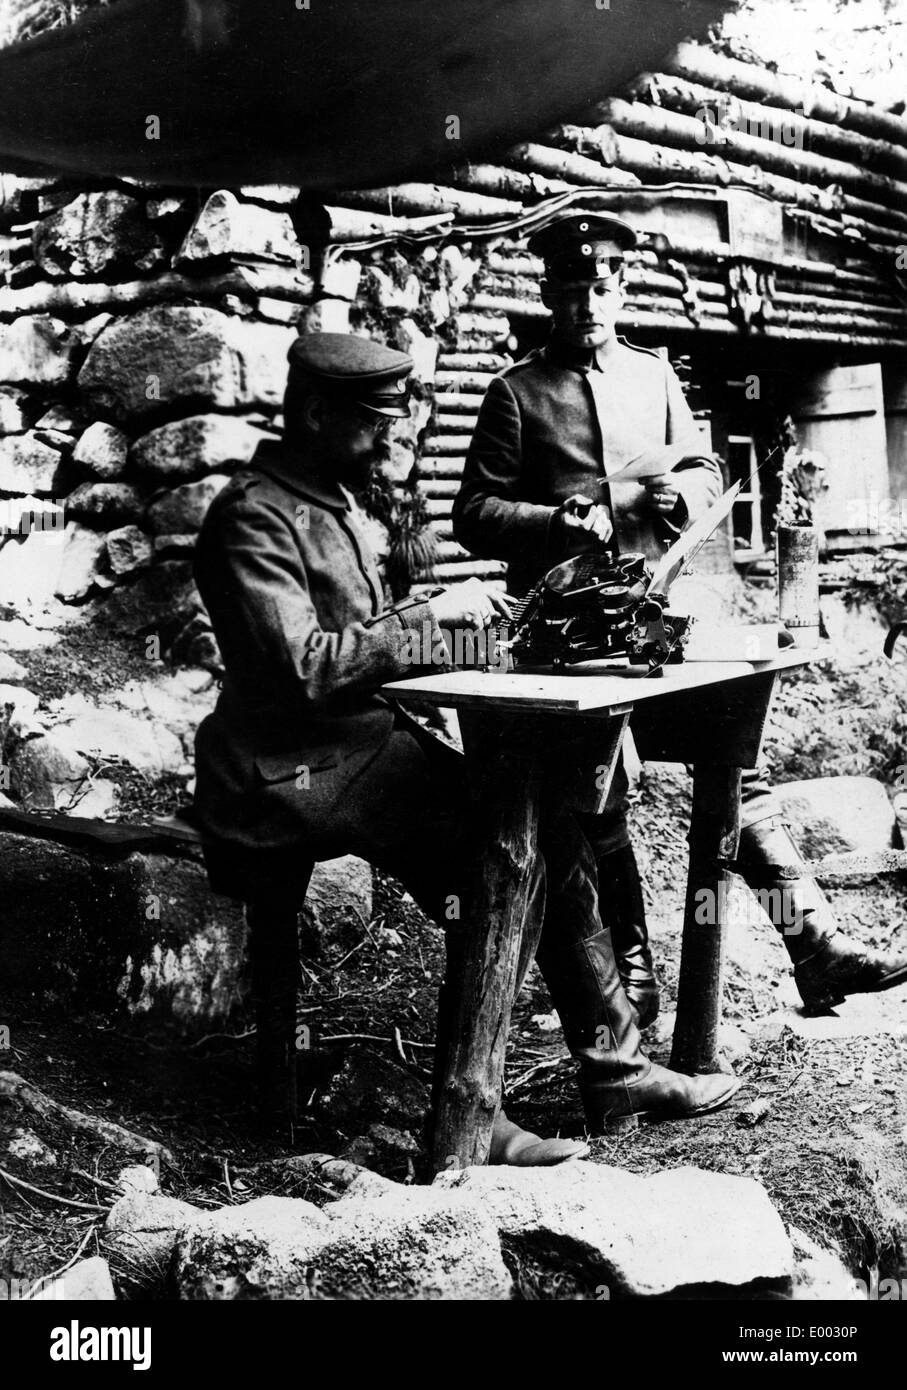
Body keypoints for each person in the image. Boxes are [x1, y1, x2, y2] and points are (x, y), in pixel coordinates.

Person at [192, 330, 740, 1151]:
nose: (392, 437)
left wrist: (483, 633)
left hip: (358, 743)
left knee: (553, 821)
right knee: (499, 853)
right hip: (283, 768)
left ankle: (613, 1065)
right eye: (375, 420)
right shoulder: (253, 518)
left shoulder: (331, 500)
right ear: (314, 413)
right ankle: (471, 1115)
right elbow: (307, 672)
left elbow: (369, 645)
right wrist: (426, 621)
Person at [453, 210, 907, 1032]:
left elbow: (701, 465)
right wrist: (558, 521)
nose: (587, 303)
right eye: (571, 290)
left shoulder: (652, 377)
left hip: (656, 624)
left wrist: (684, 497)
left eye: (602, 287)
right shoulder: (514, 393)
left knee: (732, 764)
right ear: (550, 295)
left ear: (622, 290)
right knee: (601, 799)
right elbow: (473, 513)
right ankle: (634, 990)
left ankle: (814, 944)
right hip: (564, 640)